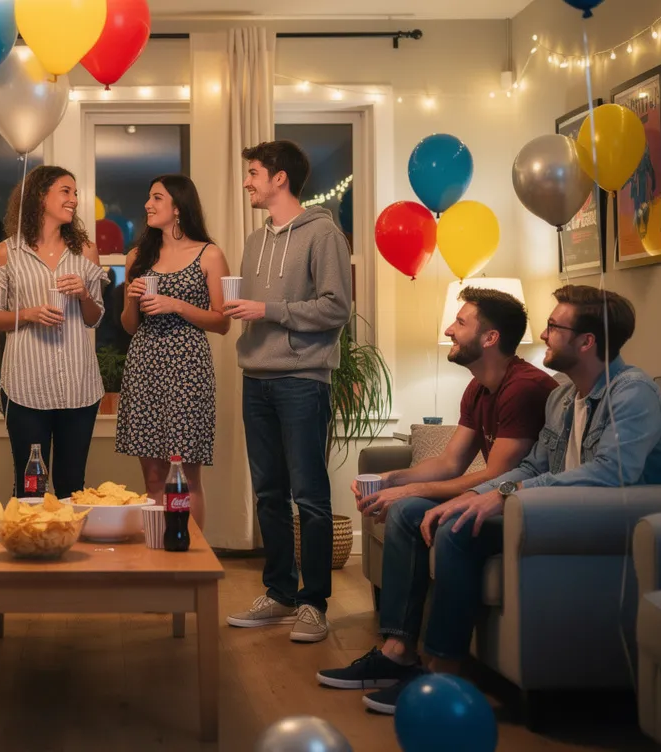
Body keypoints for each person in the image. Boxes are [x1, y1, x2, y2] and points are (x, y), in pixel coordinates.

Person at [319, 284, 661, 714]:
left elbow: (608, 474)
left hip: (597, 522)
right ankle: (399, 655)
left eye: (553, 327)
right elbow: (529, 467)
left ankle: (440, 676)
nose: (543, 336)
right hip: (544, 508)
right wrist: (474, 493)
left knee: (455, 528)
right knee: (438, 516)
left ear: (587, 342)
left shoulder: (631, 393)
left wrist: (500, 495)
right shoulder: (564, 398)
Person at [222, 140, 352, 644]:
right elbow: (253, 305)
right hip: (255, 377)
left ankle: (313, 604)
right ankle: (278, 594)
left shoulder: (324, 235)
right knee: (269, 494)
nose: (248, 181)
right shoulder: (256, 242)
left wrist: (269, 311)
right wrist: (244, 312)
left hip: (302, 380)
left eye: (254, 172)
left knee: (310, 498)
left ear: (280, 178)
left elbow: (336, 308)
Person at [350, 287, 558, 519]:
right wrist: (391, 479)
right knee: (404, 507)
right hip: (491, 494)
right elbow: (449, 463)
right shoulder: (477, 387)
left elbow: (496, 475)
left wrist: (409, 491)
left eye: (460, 323)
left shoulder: (523, 387)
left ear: (490, 338)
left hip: (519, 503)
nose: (449, 331)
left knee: (405, 508)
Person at [0, 165, 106, 498]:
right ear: (39, 196)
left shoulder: (86, 251)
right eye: (66, 191)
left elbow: (94, 318)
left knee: (72, 487)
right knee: (30, 486)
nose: (74, 200)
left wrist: (85, 294)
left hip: (79, 385)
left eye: (75, 193)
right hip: (25, 386)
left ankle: (68, 548)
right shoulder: (6, 252)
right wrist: (28, 315)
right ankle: (34, 548)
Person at [115, 175, 229, 526]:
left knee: (184, 475)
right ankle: (156, 553)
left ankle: (189, 556)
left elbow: (222, 322)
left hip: (187, 368)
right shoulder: (137, 256)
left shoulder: (209, 254)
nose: (148, 205)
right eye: (149, 198)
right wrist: (132, 299)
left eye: (157, 198)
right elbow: (130, 326)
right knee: (152, 476)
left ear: (178, 208)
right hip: (144, 365)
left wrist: (175, 305)